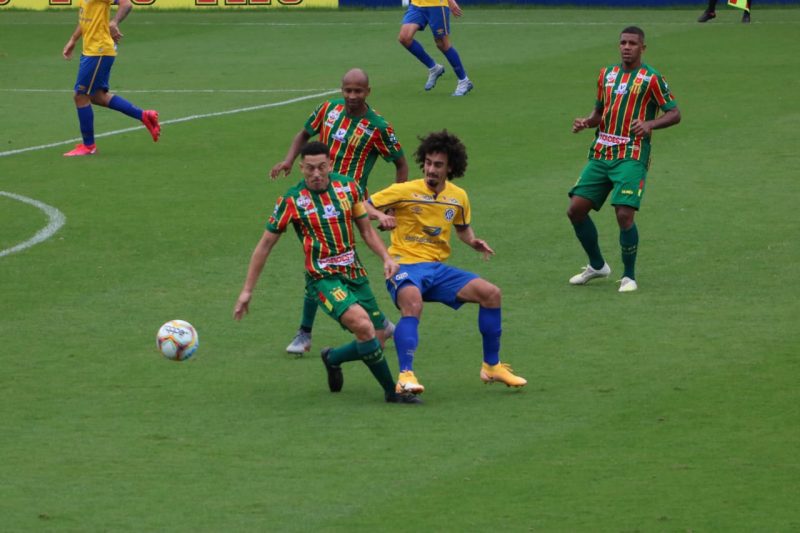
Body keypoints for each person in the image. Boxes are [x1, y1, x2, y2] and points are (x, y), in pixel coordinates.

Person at [234, 142, 421, 405]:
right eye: (310, 168)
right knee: (364, 327)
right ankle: (393, 392)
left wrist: (387, 257)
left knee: (375, 342)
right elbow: (265, 245)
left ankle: (332, 358)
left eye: (322, 167)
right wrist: (247, 291)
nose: (316, 174)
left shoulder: (348, 188)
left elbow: (366, 231)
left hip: (355, 274)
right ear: (301, 168)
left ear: (330, 165)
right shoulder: (291, 201)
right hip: (323, 278)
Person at [365, 130, 526, 394]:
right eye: (428, 163)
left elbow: (462, 228)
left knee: (491, 294)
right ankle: (405, 375)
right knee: (413, 304)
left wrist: (473, 241)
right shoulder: (404, 191)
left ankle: (492, 366)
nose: (431, 169)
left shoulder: (458, 197)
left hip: (437, 270)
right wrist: (379, 216)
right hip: (403, 266)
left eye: (438, 165)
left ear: (450, 167)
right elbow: (362, 206)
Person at [270, 68, 408, 356]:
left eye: (358, 91)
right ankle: (380, 322)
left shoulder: (378, 127)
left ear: (368, 92)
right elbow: (303, 134)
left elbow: (401, 163)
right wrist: (287, 161)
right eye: (348, 90)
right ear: (341, 89)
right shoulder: (328, 110)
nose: (352, 96)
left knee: (322, 265)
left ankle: (305, 334)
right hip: (317, 197)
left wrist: (392, 204)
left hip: (349, 201)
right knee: (325, 263)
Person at [567, 26, 681, 293]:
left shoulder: (651, 78)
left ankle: (629, 276)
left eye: (632, 43)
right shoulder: (606, 74)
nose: (626, 47)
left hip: (632, 154)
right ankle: (597, 266)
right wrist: (586, 122)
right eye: (623, 42)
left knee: (624, 214)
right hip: (601, 151)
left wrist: (651, 123)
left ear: (643, 48)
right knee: (575, 210)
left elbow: (675, 113)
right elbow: (600, 113)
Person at [62, 0, 160, 157]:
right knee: (97, 96)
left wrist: (114, 22)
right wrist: (73, 40)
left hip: (99, 51)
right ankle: (144, 115)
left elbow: (126, 4)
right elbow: (86, 20)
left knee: (80, 96)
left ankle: (89, 146)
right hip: (92, 51)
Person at [397, 0, 473, 97]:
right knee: (404, 38)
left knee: (442, 44)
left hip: (437, 5)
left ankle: (464, 80)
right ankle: (434, 68)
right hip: (417, 4)